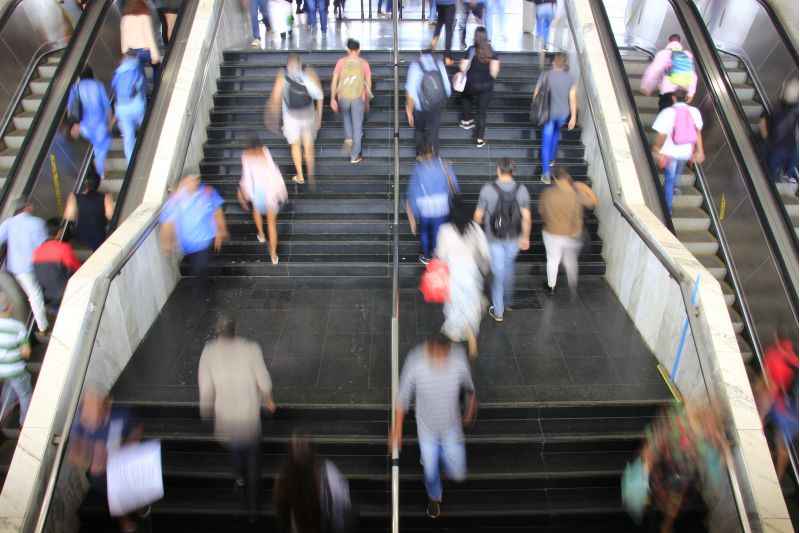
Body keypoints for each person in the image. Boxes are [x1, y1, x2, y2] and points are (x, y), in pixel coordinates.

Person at [391, 333, 477, 519]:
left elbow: (469, 388)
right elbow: (403, 398)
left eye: (443, 354)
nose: (439, 358)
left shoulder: (458, 359)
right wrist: (397, 430)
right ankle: (434, 497)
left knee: (458, 473)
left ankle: (439, 457)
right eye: (435, 353)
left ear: (448, 350)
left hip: (451, 428)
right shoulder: (415, 362)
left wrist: (469, 410)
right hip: (427, 430)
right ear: (429, 347)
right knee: (430, 473)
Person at [199, 315, 276, 521]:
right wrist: (268, 400)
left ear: (217, 332)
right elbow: (264, 382)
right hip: (248, 417)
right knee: (253, 460)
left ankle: (240, 482)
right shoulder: (251, 349)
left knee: (236, 452)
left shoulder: (208, 352)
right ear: (236, 329)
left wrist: (206, 413)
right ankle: (253, 509)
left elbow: (206, 390)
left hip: (226, 421)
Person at [639, 402, 728, 533]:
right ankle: (662, 522)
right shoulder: (680, 422)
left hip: (682, 475)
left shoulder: (705, 433)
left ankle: (666, 524)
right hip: (667, 471)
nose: (712, 428)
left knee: (675, 499)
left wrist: (721, 447)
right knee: (668, 499)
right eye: (712, 423)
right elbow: (656, 443)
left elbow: (712, 450)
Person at [68, 388, 144, 533]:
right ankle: (125, 522)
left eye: (95, 412)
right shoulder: (81, 422)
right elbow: (74, 453)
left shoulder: (122, 414)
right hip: (100, 473)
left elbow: (137, 429)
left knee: (132, 488)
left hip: (123, 463)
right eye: (86, 413)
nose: (90, 419)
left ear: (106, 406)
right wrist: (90, 462)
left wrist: (129, 446)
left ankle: (137, 506)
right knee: (113, 497)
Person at [473, 158, 531, 322]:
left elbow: (478, 216)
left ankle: (498, 311)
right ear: (513, 171)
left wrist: (476, 227)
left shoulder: (487, 189)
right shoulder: (522, 190)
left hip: (494, 239)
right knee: (509, 268)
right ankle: (508, 302)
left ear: (498, 170)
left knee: (498, 273)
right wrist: (525, 237)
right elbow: (527, 218)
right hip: (514, 238)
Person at [435, 199, 488, 358]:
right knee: (470, 307)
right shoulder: (475, 229)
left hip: (453, 273)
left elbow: (441, 254)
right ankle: (472, 342)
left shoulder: (445, 230)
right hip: (471, 273)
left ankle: (451, 342)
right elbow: (484, 254)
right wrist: (484, 271)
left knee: (454, 307)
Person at [274, 435, 354, 533]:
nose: (301, 452)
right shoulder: (285, 477)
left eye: (303, 448)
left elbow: (340, 508)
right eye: (297, 448)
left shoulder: (328, 475)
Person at [267, 54, 324, 188]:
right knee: (309, 147)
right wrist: (319, 117)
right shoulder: (308, 74)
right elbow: (320, 95)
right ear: (300, 64)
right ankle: (311, 175)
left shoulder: (282, 76)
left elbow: (275, 98)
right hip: (308, 115)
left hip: (291, 118)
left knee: (295, 146)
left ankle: (300, 176)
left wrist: (273, 119)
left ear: (288, 65)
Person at [159, 175, 228, 284]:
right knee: (200, 267)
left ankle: (205, 285)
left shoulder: (206, 192)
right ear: (182, 182)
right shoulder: (175, 201)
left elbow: (217, 211)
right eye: (190, 181)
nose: (194, 183)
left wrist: (220, 231)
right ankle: (205, 281)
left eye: (196, 180)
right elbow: (167, 224)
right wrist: (167, 243)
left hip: (206, 239)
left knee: (201, 267)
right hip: (189, 243)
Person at [538, 167, 596, 295]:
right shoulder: (575, 193)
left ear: (554, 179)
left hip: (551, 232)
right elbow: (592, 203)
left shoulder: (547, 193)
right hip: (571, 232)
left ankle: (551, 286)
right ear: (567, 178)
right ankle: (572, 285)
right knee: (570, 259)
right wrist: (585, 188)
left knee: (553, 260)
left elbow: (541, 212)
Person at [651, 88, 705, 215]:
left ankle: (667, 210)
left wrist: (657, 148)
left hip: (670, 151)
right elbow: (698, 132)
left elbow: (662, 134)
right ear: (687, 98)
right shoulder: (694, 111)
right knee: (677, 174)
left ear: (673, 98)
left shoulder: (668, 112)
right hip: (686, 151)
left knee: (669, 179)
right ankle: (674, 187)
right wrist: (700, 151)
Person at [0, 199, 49, 339]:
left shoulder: (8, 223)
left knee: (29, 293)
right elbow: (44, 245)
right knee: (35, 295)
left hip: (15, 268)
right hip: (34, 265)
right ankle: (42, 327)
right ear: (27, 207)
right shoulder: (37, 222)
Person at [405, 145, 460, 264]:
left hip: (425, 205)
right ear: (433, 153)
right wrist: (452, 199)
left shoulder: (418, 169)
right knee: (438, 231)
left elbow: (413, 189)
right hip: (441, 204)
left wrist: (413, 212)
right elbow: (454, 186)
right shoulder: (443, 165)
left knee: (424, 231)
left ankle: (426, 255)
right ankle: (437, 255)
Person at [237, 140, 287, 265]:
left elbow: (247, 176)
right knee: (272, 224)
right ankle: (273, 255)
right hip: (270, 190)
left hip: (257, 191)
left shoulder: (246, 155)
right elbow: (274, 172)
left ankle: (261, 234)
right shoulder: (264, 151)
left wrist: (245, 193)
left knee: (256, 210)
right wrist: (281, 192)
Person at [533, 52, 576, 183]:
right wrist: (573, 117)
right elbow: (573, 98)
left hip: (549, 114)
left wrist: (535, 105)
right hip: (563, 114)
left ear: (553, 63)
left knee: (546, 141)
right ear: (564, 64)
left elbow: (536, 93)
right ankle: (552, 158)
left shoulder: (545, 75)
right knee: (556, 133)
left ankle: (546, 174)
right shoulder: (570, 78)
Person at [330, 39, 373, 165]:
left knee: (346, 117)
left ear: (347, 50)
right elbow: (368, 83)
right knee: (357, 126)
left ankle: (348, 137)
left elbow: (334, 81)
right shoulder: (364, 63)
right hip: (357, 97)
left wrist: (333, 98)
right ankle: (354, 156)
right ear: (359, 50)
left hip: (343, 97)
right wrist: (367, 100)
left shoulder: (340, 62)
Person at [66, 67, 112, 179]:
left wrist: (74, 124)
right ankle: (100, 171)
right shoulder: (98, 85)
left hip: (84, 126)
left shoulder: (75, 87)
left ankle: (98, 169)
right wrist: (109, 121)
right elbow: (106, 105)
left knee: (97, 146)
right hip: (99, 123)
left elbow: (70, 108)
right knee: (101, 146)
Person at [458, 27, 499, 148]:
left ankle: (466, 120)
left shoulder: (471, 50)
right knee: (482, 113)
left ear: (475, 37)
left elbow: (463, 68)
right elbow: (494, 73)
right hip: (486, 86)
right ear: (486, 37)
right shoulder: (492, 52)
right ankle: (479, 139)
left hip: (471, 84)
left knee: (466, 96)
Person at [406, 50, 451, 157]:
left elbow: (411, 91)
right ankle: (434, 157)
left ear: (421, 53)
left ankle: (420, 155)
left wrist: (409, 110)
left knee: (419, 130)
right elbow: (447, 89)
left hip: (420, 107)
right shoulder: (439, 63)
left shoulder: (415, 66)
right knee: (434, 131)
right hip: (436, 104)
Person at [32, 218, 82, 314]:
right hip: (66, 296)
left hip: (49, 298)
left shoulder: (37, 251)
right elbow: (77, 268)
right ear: (59, 232)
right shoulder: (63, 248)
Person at [641, 34, 698, 112]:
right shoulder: (687, 55)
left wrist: (647, 87)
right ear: (680, 42)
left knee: (665, 116)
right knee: (679, 117)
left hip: (668, 92)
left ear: (668, 41)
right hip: (683, 92)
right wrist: (691, 93)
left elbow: (654, 70)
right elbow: (693, 75)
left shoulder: (663, 53)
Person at [0, 292, 32, 428]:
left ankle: (5, 409)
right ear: (9, 307)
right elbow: (26, 352)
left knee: (10, 384)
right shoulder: (17, 327)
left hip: (2, 369)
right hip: (15, 369)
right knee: (26, 394)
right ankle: (23, 423)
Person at [759, 78, 799, 183]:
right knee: (773, 169)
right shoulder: (777, 107)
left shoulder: (792, 110)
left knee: (776, 167)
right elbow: (763, 124)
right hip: (780, 146)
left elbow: (763, 124)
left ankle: (784, 178)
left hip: (783, 146)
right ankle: (781, 179)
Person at [63, 173, 114, 253]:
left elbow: (69, 217)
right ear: (98, 183)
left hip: (81, 236)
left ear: (84, 184)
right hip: (99, 236)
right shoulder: (106, 197)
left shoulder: (73, 196)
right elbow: (110, 216)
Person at [112, 50, 147, 164]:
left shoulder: (118, 73)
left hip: (122, 109)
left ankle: (131, 164)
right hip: (137, 104)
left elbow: (114, 90)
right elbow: (142, 85)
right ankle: (149, 150)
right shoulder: (136, 65)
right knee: (146, 128)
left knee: (128, 137)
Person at [120, 0, 162, 91]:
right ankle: (157, 88)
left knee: (139, 75)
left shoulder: (125, 18)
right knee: (157, 67)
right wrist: (155, 55)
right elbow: (149, 37)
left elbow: (124, 36)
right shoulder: (144, 17)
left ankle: (143, 94)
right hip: (145, 51)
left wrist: (124, 52)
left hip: (132, 53)